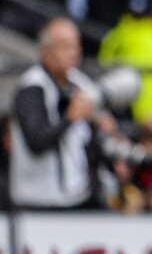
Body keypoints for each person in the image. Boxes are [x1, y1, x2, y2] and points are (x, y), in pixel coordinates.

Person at [9, 17, 109, 209]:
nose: (74, 53)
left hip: (76, 197)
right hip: (38, 203)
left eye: (76, 46)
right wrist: (70, 117)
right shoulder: (32, 87)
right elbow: (37, 141)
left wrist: (104, 126)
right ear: (45, 51)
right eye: (65, 46)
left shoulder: (79, 83)